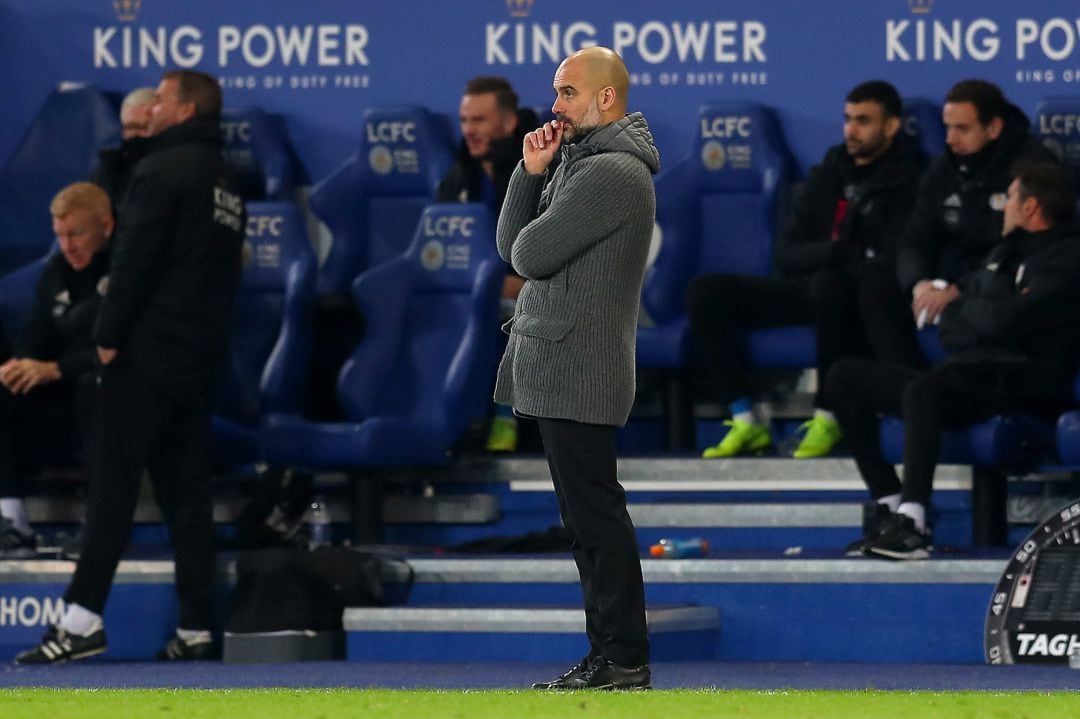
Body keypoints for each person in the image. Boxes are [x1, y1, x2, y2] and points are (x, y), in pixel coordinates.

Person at [15, 70, 245, 664]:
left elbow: (135, 264)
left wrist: (109, 338)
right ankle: (196, 627)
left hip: (144, 356)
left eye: (162, 98)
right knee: (186, 497)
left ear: (186, 110)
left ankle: (80, 623)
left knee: (111, 494)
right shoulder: (227, 182)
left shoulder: (159, 170)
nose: (153, 107)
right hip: (195, 361)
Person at [495, 46, 658, 690]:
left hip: (582, 368)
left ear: (605, 98)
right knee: (584, 523)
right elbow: (510, 246)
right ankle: (608, 655)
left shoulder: (611, 173)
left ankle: (623, 656)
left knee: (595, 519)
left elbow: (530, 256)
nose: (555, 105)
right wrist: (528, 171)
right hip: (560, 364)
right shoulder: (578, 162)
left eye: (567, 92)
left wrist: (541, 182)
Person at [828, 161, 1080, 560]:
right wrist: (980, 313)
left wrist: (972, 309)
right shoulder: (1003, 253)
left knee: (924, 390)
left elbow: (1001, 320)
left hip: (1023, 384)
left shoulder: (1068, 259)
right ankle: (890, 505)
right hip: (971, 374)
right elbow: (955, 328)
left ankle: (914, 522)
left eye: (1010, 198)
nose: (1003, 206)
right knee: (843, 378)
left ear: (1031, 207)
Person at [687, 81, 925, 459]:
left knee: (832, 286)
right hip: (808, 287)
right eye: (848, 119)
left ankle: (829, 415)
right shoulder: (828, 172)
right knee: (705, 292)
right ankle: (747, 418)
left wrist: (831, 258)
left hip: (857, 298)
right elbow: (786, 255)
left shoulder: (909, 178)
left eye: (863, 121)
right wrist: (837, 251)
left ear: (891, 126)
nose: (851, 129)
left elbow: (888, 258)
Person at [871, 79, 1056, 370]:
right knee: (875, 290)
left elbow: (1028, 250)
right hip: (957, 276)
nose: (950, 139)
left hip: (1003, 282)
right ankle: (906, 384)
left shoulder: (1032, 169)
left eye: (962, 129)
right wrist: (920, 285)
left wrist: (958, 291)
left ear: (993, 128)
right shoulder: (943, 169)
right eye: (947, 128)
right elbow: (915, 238)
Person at [0, 182, 113, 557]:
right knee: (6, 385)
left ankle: (102, 525)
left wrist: (56, 369)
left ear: (106, 226)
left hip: (113, 393)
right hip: (62, 393)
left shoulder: (126, 270)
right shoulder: (56, 271)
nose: (68, 246)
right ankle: (11, 521)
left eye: (77, 233)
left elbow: (122, 349)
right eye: (60, 236)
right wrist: (20, 365)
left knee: (92, 386)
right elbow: (37, 334)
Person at [438, 76, 537, 453]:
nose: (469, 130)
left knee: (504, 316)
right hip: (469, 294)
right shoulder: (457, 178)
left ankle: (501, 421)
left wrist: (516, 284)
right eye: (464, 121)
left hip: (531, 295)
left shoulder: (541, 174)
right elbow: (437, 250)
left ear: (509, 123)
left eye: (479, 120)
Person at [90, 87, 156, 214]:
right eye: (132, 127)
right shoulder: (107, 172)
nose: (142, 134)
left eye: (148, 126)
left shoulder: (179, 167)